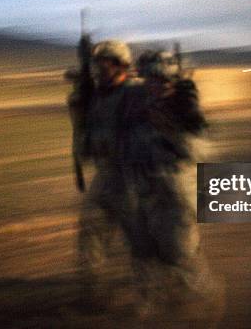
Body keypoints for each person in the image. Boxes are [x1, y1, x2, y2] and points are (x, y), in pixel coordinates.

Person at [67, 40, 213, 315]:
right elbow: (84, 122)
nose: (100, 69)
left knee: (165, 247)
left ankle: (196, 296)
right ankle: (113, 295)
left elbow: (174, 105)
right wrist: (81, 85)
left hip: (144, 181)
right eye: (97, 64)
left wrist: (183, 95)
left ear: (121, 65)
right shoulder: (99, 94)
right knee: (109, 237)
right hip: (119, 176)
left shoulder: (136, 93)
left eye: (105, 64)